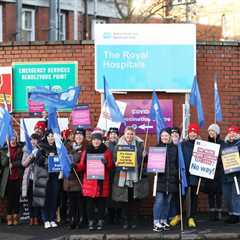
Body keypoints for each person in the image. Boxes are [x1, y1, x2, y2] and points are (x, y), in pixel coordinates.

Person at [76, 129, 113, 231]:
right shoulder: (86, 151)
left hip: (102, 182)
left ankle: (100, 221)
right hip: (89, 182)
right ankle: (91, 222)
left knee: (101, 204)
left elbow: (110, 167)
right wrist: (75, 166)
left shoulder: (107, 152)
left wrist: (106, 163)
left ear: (101, 140)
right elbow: (82, 166)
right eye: (94, 140)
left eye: (98, 139)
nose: (96, 141)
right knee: (89, 205)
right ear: (91, 140)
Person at [112, 126, 147, 229]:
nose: (130, 136)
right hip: (123, 175)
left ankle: (134, 219)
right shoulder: (118, 145)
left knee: (134, 199)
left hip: (135, 175)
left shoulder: (139, 145)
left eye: (132, 134)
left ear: (134, 135)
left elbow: (143, 161)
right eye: (128, 134)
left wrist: (145, 155)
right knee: (124, 199)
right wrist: (116, 162)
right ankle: (126, 220)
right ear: (124, 134)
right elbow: (114, 157)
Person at [33, 130, 60, 229]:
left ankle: (52, 219)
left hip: (55, 177)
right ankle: (46, 219)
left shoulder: (58, 147)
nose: (51, 138)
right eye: (49, 136)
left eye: (52, 136)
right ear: (46, 137)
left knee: (53, 198)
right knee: (45, 199)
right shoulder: (41, 147)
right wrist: (48, 157)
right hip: (44, 176)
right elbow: (38, 161)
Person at [153, 128, 178, 232]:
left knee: (167, 202)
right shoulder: (156, 148)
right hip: (160, 179)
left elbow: (177, 163)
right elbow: (151, 163)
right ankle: (156, 222)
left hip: (171, 179)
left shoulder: (174, 148)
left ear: (170, 137)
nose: (164, 137)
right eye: (162, 135)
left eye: (166, 135)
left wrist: (177, 174)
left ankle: (163, 220)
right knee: (159, 201)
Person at [63, 127, 85, 229]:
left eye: (81, 135)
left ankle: (80, 219)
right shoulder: (68, 147)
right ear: (74, 137)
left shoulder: (85, 148)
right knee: (71, 202)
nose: (79, 137)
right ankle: (72, 219)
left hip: (80, 179)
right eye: (77, 135)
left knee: (80, 202)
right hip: (69, 179)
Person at [0, 133, 23, 226]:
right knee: (9, 199)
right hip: (8, 178)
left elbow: (21, 161)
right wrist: (7, 157)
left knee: (17, 198)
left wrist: (13, 164)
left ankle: (16, 216)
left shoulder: (20, 149)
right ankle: (9, 216)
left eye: (14, 139)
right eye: (11, 139)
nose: (13, 140)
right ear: (8, 140)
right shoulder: (4, 150)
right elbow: (3, 163)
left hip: (17, 177)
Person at [180, 123, 200, 228]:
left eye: (194, 132)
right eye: (191, 132)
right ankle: (179, 215)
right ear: (188, 133)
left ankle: (191, 217)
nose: (192, 134)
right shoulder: (183, 144)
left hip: (195, 175)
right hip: (183, 174)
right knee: (181, 195)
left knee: (193, 196)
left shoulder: (201, 144)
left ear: (197, 134)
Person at [203, 124, 224, 221]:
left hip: (219, 172)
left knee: (218, 192)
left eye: (213, 131)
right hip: (209, 172)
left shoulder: (222, 143)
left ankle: (219, 211)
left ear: (217, 132)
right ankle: (212, 211)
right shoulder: (206, 144)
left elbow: (224, 156)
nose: (211, 133)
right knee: (211, 192)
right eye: (210, 131)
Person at [21, 133, 41, 225]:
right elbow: (24, 164)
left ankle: (36, 218)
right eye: (32, 139)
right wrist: (31, 155)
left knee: (36, 199)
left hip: (37, 178)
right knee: (29, 199)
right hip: (29, 178)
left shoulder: (41, 150)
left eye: (35, 139)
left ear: (38, 141)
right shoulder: (26, 150)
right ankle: (31, 218)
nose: (33, 141)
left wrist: (37, 153)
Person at [223, 126, 240, 224]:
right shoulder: (225, 144)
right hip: (226, 175)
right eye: (230, 132)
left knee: (236, 195)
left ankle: (237, 215)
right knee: (228, 195)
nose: (232, 134)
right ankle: (231, 214)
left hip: (237, 174)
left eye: (234, 132)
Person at [105, 127, 121, 224]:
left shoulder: (122, 145)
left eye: (115, 134)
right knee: (109, 194)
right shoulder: (105, 146)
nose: (113, 135)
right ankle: (110, 216)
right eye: (111, 134)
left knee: (119, 193)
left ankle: (118, 215)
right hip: (109, 173)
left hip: (119, 173)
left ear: (118, 135)